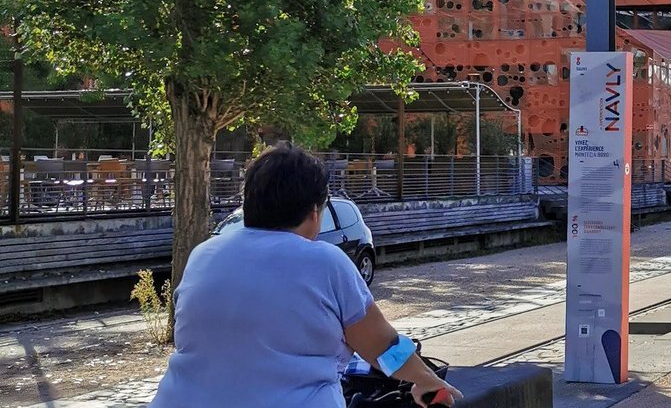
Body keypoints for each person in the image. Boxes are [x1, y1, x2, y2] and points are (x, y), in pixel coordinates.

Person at [150, 144, 460, 407]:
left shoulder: (204, 254)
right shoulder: (325, 261)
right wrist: (425, 380)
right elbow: (384, 348)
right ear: (315, 212)